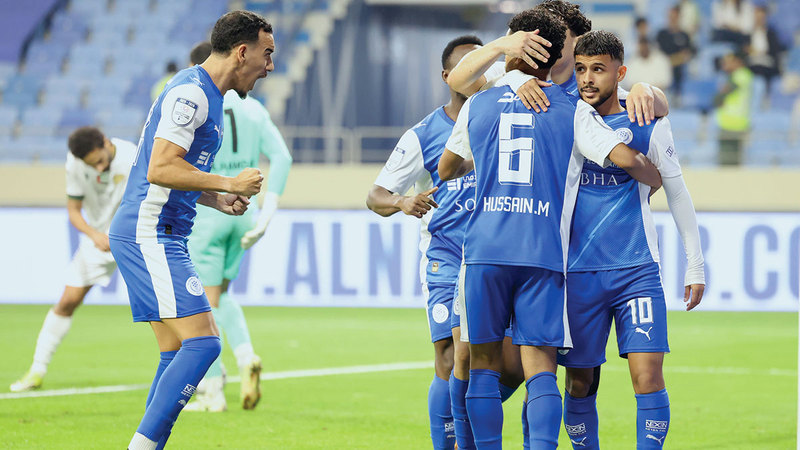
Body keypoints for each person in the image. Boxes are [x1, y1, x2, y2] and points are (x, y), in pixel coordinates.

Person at [438, 9, 662, 449]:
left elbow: (447, 168)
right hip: (542, 254)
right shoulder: (573, 109)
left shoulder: (480, 102)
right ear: (559, 55)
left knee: (480, 365)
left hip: (484, 249)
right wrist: (653, 178)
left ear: (515, 47)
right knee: (540, 368)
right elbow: (626, 158)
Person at [108, 11, 271, 450]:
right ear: (242, 52)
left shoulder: (207, 94)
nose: (270, 66)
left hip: (158, 230)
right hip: (149, 232)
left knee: (175, 351)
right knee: (204, 345)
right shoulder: (192, 94)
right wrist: (229, 183)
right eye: (267, 54)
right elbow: (160, 168)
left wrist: (215, 198)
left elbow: (174, 173)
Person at [366, 35, 522, 450]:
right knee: (452, 356)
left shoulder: (503, 118)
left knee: (513, 365)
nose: (479, 72)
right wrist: (402, 201)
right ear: (447, 76)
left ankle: (466, 423)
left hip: (498, 253)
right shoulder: (423, 134)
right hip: (447, 256)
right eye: (469, 64)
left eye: (485, 63)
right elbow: (375, 196)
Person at [560, 30, 705, 450]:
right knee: (580, 381)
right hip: (578, 272)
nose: (588, 79)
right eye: (581, 69)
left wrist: (695, 264)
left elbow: (677, 192)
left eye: (598, 70)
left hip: (636, 270)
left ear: (620, 73)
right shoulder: (566, 119)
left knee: (648, 376)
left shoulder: (647, 123)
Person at [182, 41, 293, 413]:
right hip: (246, 212)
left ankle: (211, 391)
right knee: (222, 294)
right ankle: (246, 357)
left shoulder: (198, 102)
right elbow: (282, 156)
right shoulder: (253, 108)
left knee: (202, 304)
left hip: (211, 209)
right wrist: (268, 210)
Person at [9, 127, 136, 392]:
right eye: (92, 165)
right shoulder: (75, 163)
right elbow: (74, 211)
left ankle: (202, 376)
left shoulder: (132, 156)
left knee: (162, 306)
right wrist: (94, 235)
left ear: (105, 142)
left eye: (100, 161)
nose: (98, 168)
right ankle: (36, 371)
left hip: (134, 238)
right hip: (98, 239)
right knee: (67, 301)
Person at [714, 51, 753, 165]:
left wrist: (719, 97)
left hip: (734, 122)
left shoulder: (741, 75)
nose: (725, 64)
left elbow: (721, 96)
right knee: (730, 161)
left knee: (729, 161)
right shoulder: (738, 75)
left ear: (738, 61)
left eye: (729, 61)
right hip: (729, 122)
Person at [656, 6, 695, 100]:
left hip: (679, 66)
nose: (672, 19)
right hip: (664, 64)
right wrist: (672, 59)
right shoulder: (662, 34)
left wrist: (680, 58)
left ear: (679, 17)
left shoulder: (684, 35)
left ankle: (678, 94)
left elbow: (689, 52)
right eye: (671, 17)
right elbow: (658, 52)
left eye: (675, 17)